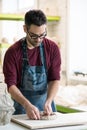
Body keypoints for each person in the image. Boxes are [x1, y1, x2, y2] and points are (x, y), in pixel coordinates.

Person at [3, 9, 61, 120]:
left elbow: (55, 79)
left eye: (43, 35)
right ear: (25, 29)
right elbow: (10, 85)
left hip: (47, 109)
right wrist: (26, 104)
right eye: (34, 36)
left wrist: (48, 101)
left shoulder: (52, 48)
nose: (39, 39)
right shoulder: (13, 52)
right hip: (22, 109)